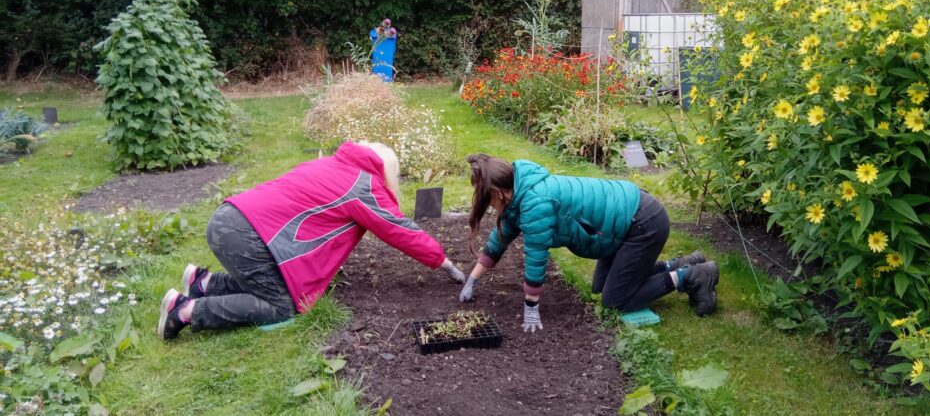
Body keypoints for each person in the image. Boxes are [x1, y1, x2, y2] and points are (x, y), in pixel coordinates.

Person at [157, 141, 466, 340]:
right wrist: (445, 263)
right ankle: (186, 310)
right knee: (281, 306)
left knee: (269, 283)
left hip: (228, 218)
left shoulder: (330, 164)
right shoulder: (363, 186)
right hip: (247, 238)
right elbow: (401, 230)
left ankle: (204, 282)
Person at [457, 154, 718, 332]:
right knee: (601, 287)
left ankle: (691, 276)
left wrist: (531, 308)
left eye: (484, 196)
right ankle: (681, 263)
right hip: (621, 219)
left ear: (498, 192)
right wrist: (473, 280)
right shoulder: (521, 192)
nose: (487, 203)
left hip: (642, 222)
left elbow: (536, 258)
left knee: (615, 301)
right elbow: (498, 241)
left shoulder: (536, 203)